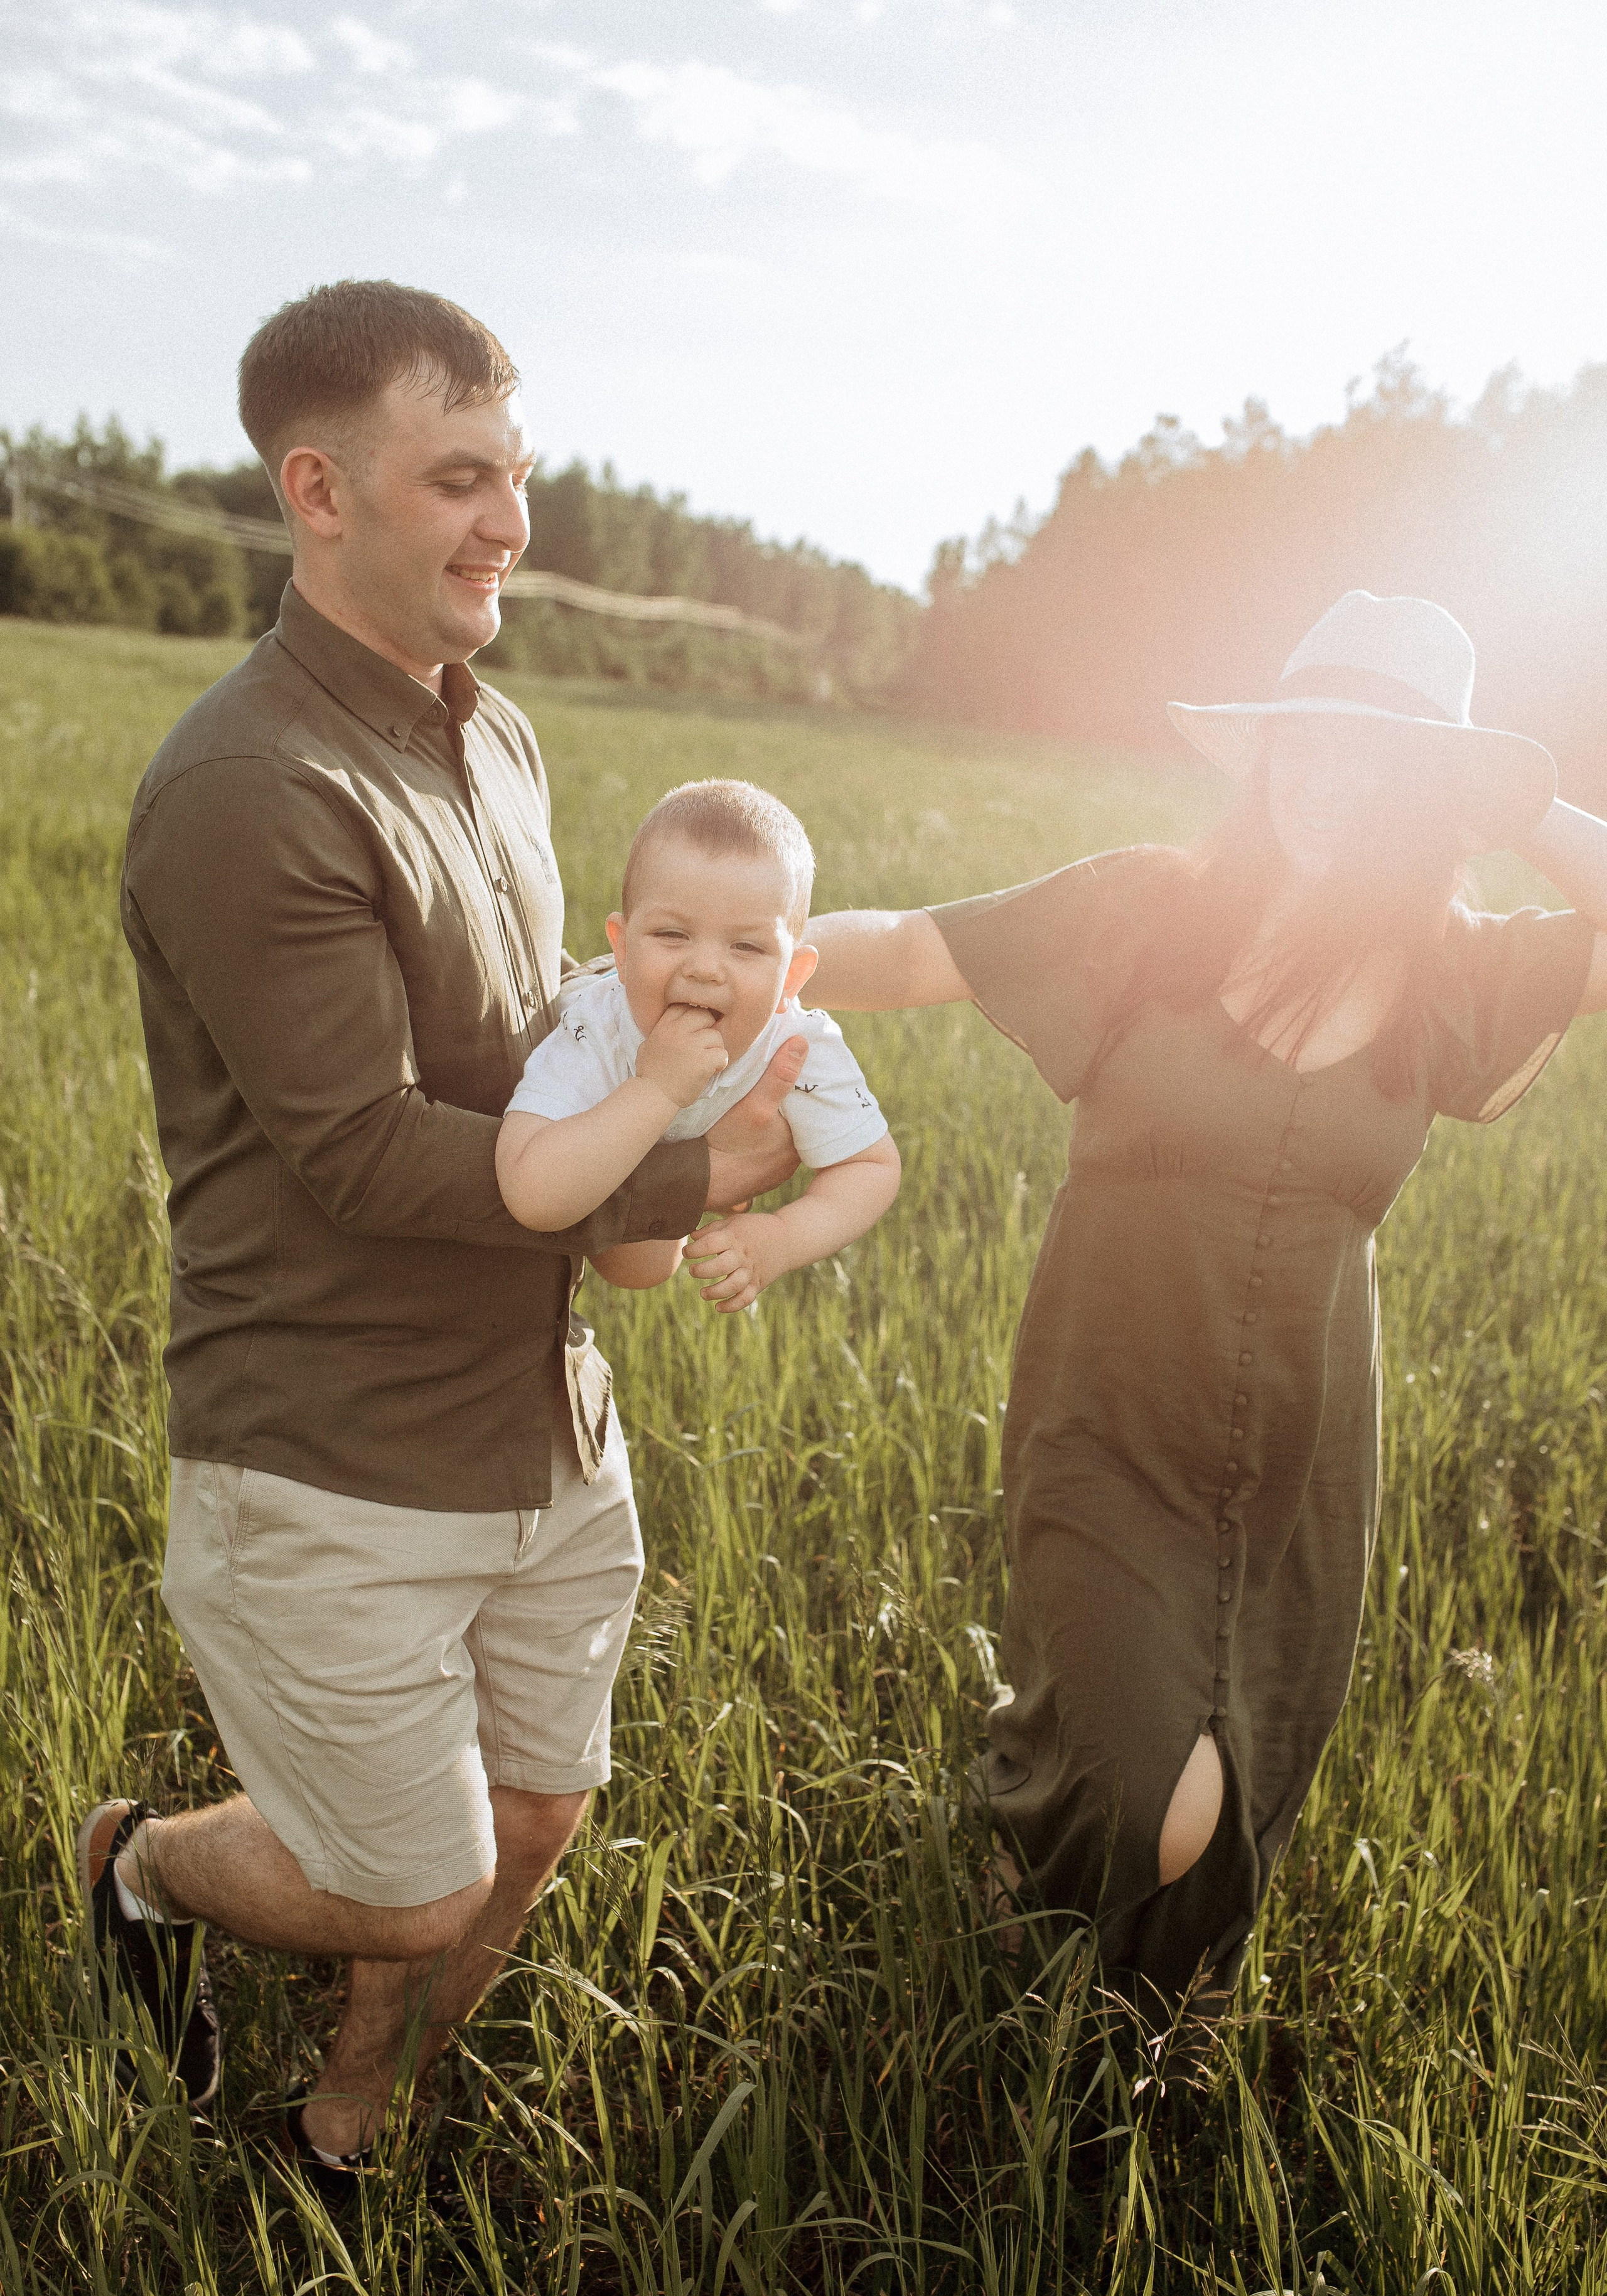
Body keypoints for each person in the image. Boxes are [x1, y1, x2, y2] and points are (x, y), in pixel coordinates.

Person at [78, 280, 802, 2189]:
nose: (512, 522)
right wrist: (695, 1170)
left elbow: (537, 1041)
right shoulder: (252, 787)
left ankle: (353, 2107)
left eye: (521, 473)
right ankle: (138, 1859)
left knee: (538, 1812)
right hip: (335, 1441)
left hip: (540, 1411)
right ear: (318, 489)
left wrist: (723, 1003)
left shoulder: (503, 745)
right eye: (459, 475)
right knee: (409, 1882)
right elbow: (367, 1157)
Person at [802, 590, 1607, 2019]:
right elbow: (912, 946)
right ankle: (1020, 1839)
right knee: (1148, 1800)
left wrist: (1523, 795)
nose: (1322, 776)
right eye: (1304, 740)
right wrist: (703, 957)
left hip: (1306, 1458)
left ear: (1428, 794)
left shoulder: (1449, 973)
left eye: (1374, 757)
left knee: (1234, 1777)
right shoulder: (1141, 914)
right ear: (1263, 753)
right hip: (1110, 1411)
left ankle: (1126, 2022)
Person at [497, 779, 901, 1308]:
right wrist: (657, 1088)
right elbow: (531, 1194)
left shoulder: (799, 1044)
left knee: (642, 1269)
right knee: (630, 1265)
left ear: (792, 978)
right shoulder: (596, 1024)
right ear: (621, 947)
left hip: (655, 1186)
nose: (706, 968)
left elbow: (871, 1166)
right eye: (672, 935)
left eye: (747, 945)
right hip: (598, 1126)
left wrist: (782, 1238)